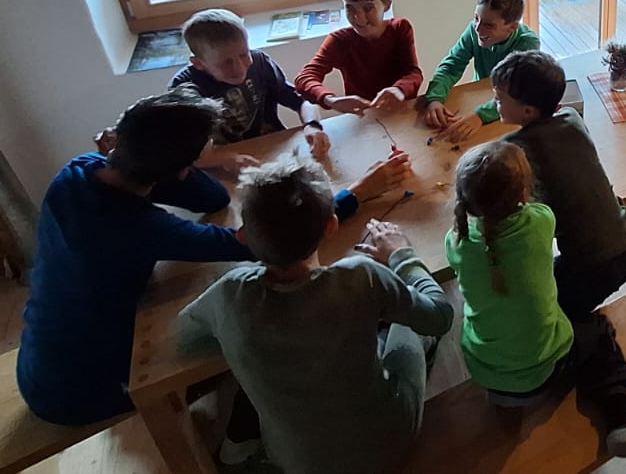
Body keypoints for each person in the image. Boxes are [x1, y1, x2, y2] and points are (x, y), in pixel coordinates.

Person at [177, 157, 450, 474]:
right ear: (331, 226)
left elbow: (184, 337)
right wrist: (402, 256)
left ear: (243, 236)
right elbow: (440, 316)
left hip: (299, 464)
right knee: (410, 325)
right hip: (388, 442)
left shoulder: (230, 293)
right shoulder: (362, 276)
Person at [16, 89, 256, 426]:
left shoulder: (79, 170)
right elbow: (249, 244)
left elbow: (213, 198)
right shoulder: (138, 227)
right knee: (241, 349)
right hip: (75, 394)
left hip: (39, 362)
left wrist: (152, 161)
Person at [445, 142, 626, 461]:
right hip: (545, 367)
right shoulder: (540, 221)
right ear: (523, 194)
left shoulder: (456, 242)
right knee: (598, 330)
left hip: (486, 370)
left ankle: (508, 410)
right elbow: (542, 212)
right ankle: (620, 420)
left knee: (508, 316)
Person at [491, 50, 626, 319]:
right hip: (625, 244)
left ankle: (576, 335)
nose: (494, 102)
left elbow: (523, 217)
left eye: (499, 99)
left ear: (527, 111)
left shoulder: (516, 150)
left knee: (540, 311)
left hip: (593, 266)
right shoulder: (571, 117)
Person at [169, 8, 330, 160]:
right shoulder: (184, 86)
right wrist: (222, 160)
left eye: (244, 54)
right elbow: (183, 149)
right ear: (199, 63)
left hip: (271, 147)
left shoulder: (260, 62)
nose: (239, 68)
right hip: (221, 159)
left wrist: (312, 125)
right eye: (226, 63)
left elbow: (301, 101)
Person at [421, 0, 541, 143]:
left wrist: (480, 116)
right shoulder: (474, 31)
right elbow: (451, 66)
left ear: (512, 27)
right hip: (482, 99)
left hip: (510, 111)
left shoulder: (527, 43)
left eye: (488, 25)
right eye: (476, 18)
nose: (478, 28)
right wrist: (435, 98)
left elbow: (515, 92)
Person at [296, 0, 423, 115]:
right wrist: (330, 100)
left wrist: (399, 89)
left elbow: (413, 73)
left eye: (368, 8)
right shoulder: (340, 41)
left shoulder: (400, 29)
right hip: (363, 117)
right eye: (350, 8)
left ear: (387, 5)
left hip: (399, 112)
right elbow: (304, 78)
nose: (358, 17)